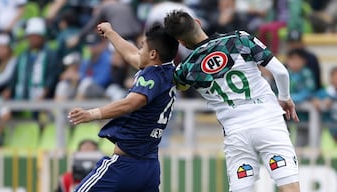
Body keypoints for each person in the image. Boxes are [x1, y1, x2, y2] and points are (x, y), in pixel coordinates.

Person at [164, 10, 300, 192]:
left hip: (235, 134)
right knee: (289, 187)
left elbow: (176, 86)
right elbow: (281, 72)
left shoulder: (186, 68)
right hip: (268, 123)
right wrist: (284, 97)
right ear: (197, 22)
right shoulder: (240, 40)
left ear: (180, 41)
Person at [68, 22, 179, 191]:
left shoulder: (152, 76)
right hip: (149, 166)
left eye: (142, 47)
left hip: (125, 166)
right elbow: (132, 55)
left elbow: (132, 102)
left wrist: (91, 114)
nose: (138, 50)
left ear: (153, 54)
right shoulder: (168, 70)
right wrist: (111, 33)